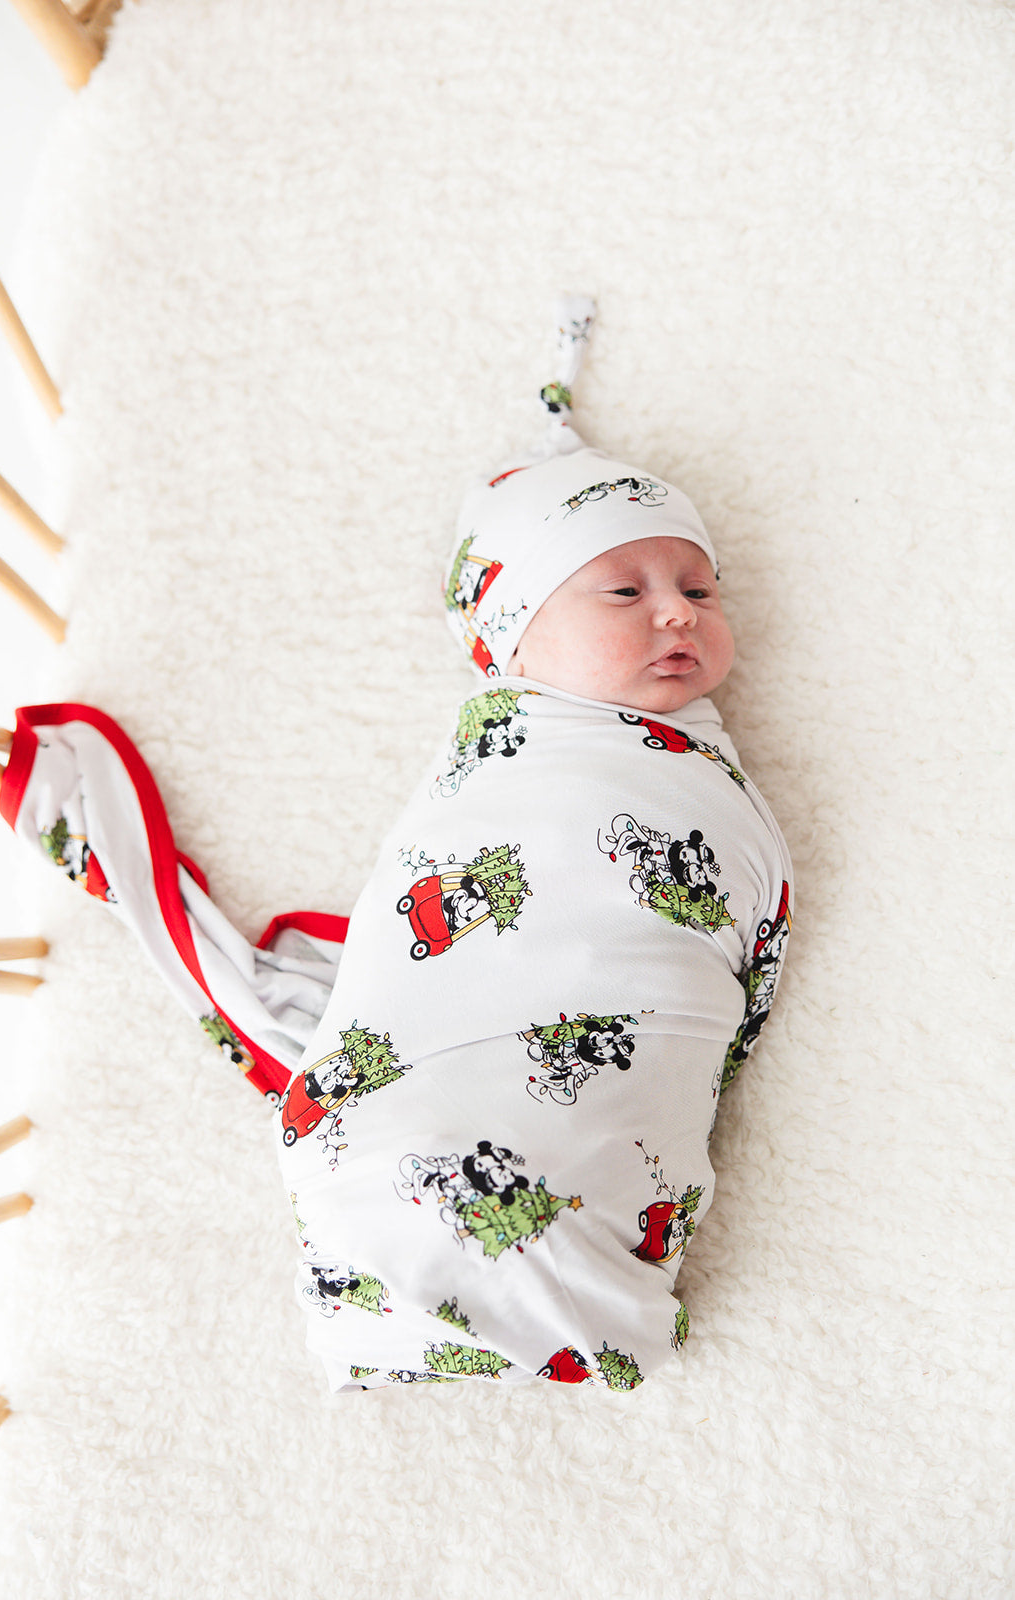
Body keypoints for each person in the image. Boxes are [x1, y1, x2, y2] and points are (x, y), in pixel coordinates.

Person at [274, 298, 794, 1391]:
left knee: (594, 1125)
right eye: (625, 590)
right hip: (460, 1032)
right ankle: (400, 1249)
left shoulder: (681, 752)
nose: (677, 615)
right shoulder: (507, 757)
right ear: (513, 636)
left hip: (623, 1008)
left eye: (698, 589)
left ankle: (556, 1269)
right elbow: (431, 900)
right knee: (408, 1125)